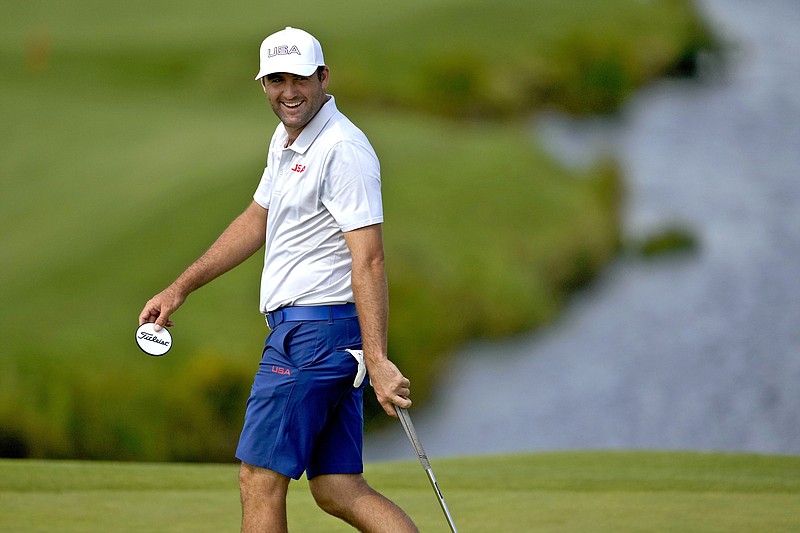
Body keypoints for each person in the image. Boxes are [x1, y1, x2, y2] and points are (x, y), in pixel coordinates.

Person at [138, 26, 418, 533]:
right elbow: (256, 219)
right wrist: (180, 287)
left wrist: (378, 361)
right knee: (337, 487)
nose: (289, 91)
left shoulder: (342, 150)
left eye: (300, 79)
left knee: (258, 478)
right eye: (276, 80)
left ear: (323, 77)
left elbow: (370, 259)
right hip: (327, 339)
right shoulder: (289, 137)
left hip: (310, 338)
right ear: (263, 84)